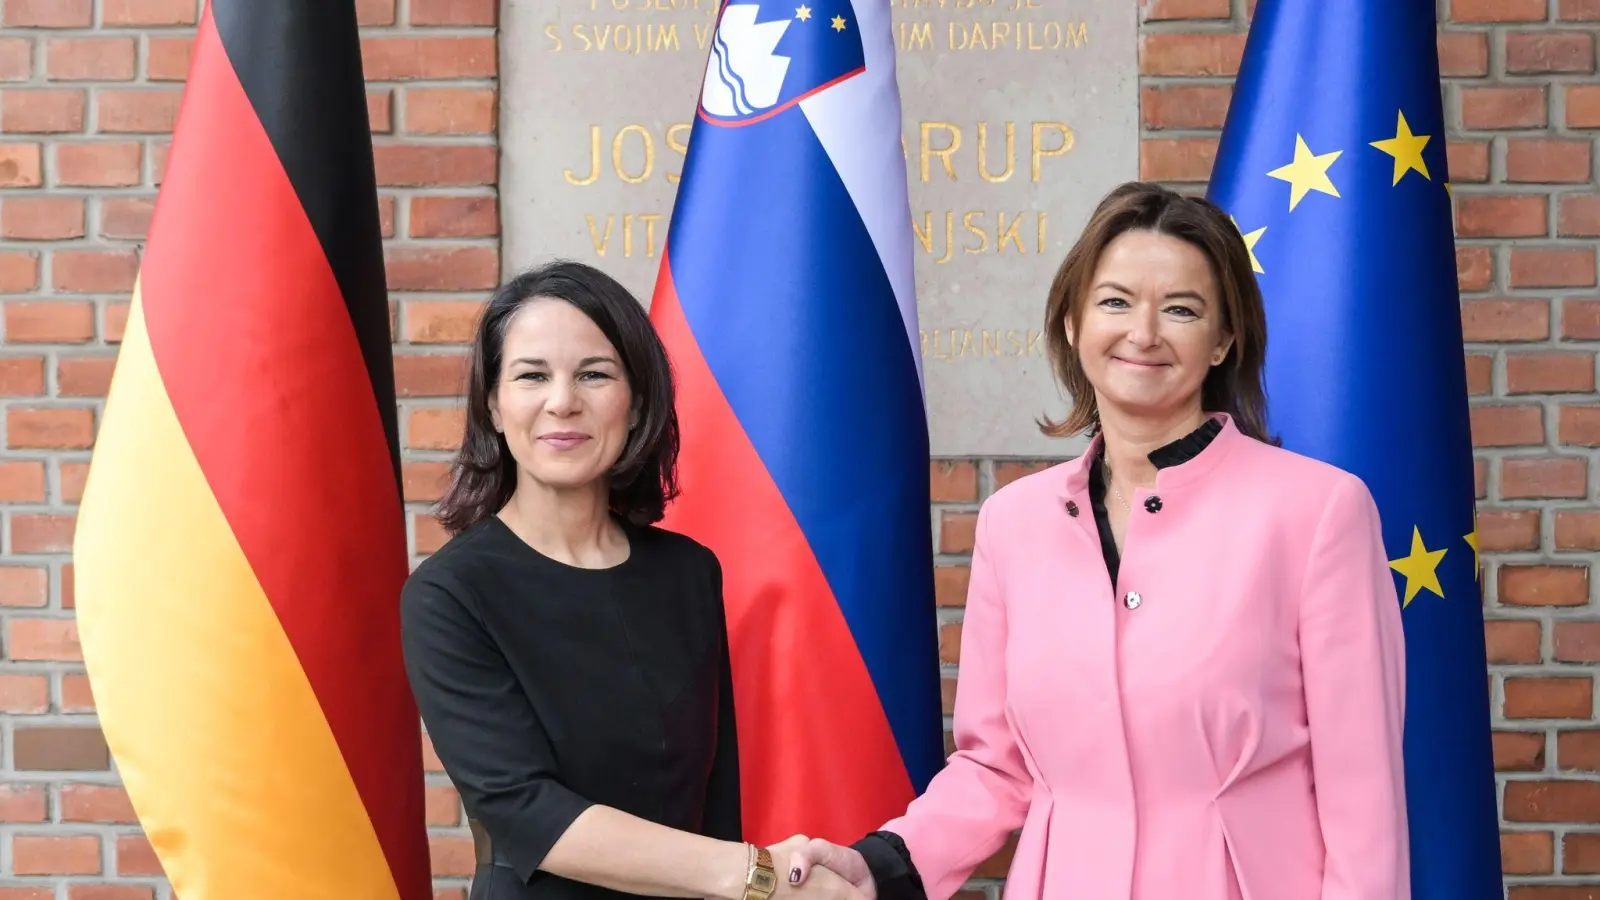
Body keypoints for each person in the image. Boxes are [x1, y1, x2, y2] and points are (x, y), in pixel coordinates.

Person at [786, 182, 1410, 900]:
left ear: (1224, 340)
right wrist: (885, 862)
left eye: (1181, 309)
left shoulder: (1320, 511)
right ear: (1074, 322)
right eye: (1115, 301)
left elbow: (1363, 795)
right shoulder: (1013, 523)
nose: (1143, 333)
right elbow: (997, 767)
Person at [399, 261, 862, 900]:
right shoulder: (449, 595)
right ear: (495, 408)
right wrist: (759, 878)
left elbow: (715, 796)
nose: (563, 401)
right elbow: (528, 809)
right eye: (532, 376)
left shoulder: (688, 572)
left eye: (593, 374)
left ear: (636, 401)